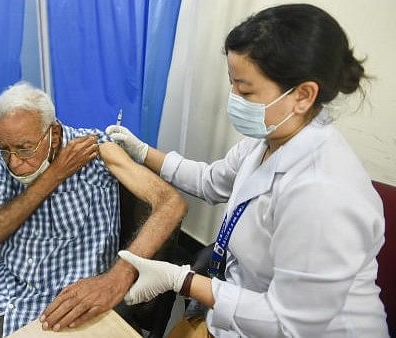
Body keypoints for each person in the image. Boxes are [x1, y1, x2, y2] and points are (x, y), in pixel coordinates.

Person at [106, 4, 389, 338]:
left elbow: (288, 323)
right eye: (232, 83)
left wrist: (180, 280)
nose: (233, 98)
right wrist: (141, 151)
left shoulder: (322, 194)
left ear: (303, 95)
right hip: (241, 314)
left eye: (246, 89)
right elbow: (210, 181)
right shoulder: (269, 139)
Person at [0, 82, 187, 337]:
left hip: (64, 304)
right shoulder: (6, 155)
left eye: (25, 149)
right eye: (5, 150)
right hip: (2, 288)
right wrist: (54, 175)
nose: (15, 163)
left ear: (54, 134)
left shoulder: (96, 151)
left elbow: (171, 204)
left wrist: (117, 277)